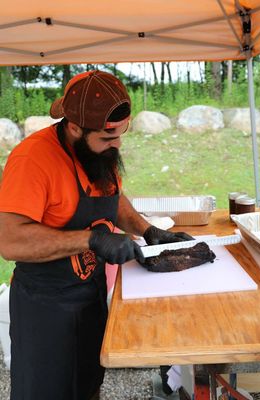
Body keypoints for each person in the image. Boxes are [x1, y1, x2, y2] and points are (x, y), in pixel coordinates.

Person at [0, 70, 193, 400]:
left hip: (89, 296)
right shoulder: (33, 159)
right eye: (107, 138)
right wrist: (89, 239)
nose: (116, 144)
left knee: (89, 384)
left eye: (121, 133)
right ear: (74, 127)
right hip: (44, 309)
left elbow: (112, 197)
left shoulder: (97, 153)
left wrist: (148, 230)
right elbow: (10, 240)